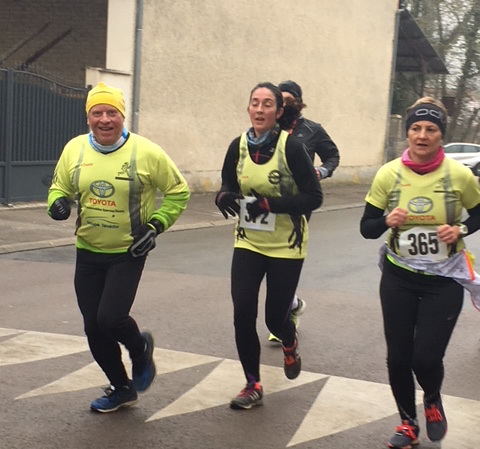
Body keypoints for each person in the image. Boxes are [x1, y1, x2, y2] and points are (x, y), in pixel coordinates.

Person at [48, 82, 190, 413]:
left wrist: (156, 226)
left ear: (122, 116)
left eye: (112, 112)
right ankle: (121, 387)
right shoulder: (75, 150)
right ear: (88, 118)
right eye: (97, 113)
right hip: (88, 250)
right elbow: (60, 186)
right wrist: (57, 204)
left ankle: (140, 348)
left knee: (110, 318)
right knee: (92, 327)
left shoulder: (147, 153)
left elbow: (178, 191)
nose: (105, 119)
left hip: (127, 252)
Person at [360, 96, 480, 449]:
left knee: (425, 357)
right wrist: (385, 221)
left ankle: (431, 398)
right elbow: (367, 227)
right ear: (408, 132)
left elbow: (479, 213)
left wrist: (460, 230)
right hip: (399, 276)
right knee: (398, 356)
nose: (422, 135)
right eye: (416, 128)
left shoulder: (459, 175)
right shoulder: (389, 174)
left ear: (441, 135)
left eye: (431, 129)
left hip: (443, 280)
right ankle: (407, 422)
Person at [215, 82, 323, 409]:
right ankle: (252, 384)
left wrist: (270, 205)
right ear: (248, 109)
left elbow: (314, 197)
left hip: (286, 247)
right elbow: (228, 184)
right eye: (254, 103)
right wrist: (223, 197)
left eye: (267, 105)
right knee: (242, 313)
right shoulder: (238, 146)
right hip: (248, 243)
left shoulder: (292, 148)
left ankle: (289, 343)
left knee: (275, 319)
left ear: (278, 112)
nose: (260, 110)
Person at [266, 80, 340, 342]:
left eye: (288, 100)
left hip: (298, 203)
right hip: (267, 203)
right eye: (279, 100)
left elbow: (333, 156)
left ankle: (286, 315)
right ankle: (293, 304)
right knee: (265, 260)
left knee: (285, 260)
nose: (283, 105)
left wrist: (322, 171)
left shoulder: (312, 130)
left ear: (297, 102)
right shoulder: (266, 128)